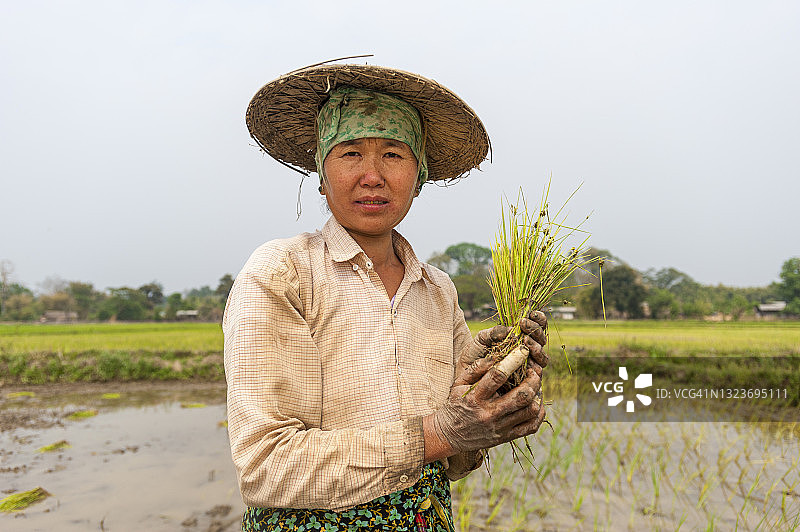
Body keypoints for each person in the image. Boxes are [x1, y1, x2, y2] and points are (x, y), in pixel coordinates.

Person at [223, 62, 549, 532]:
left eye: (393, 154)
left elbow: (457, 457)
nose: (372, 176)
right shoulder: (283, 272)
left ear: (419, 176)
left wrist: (497, 384)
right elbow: (266, 466)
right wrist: (437, 432)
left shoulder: (437, 290)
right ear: (321, 174)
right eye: (350, 153)